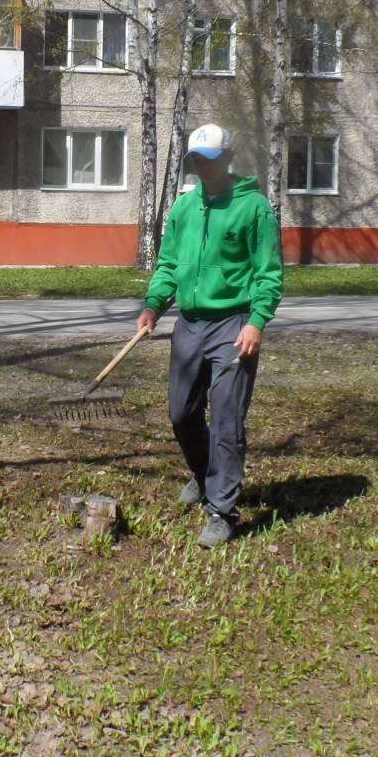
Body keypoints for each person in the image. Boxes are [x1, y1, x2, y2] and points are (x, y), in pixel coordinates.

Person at [137, 125, 283, 548]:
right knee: (182, 413)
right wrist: (153, 305)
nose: (200, 166)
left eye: (207, 158)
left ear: (225, 159)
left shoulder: (253, 208)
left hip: (234, 325)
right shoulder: (185, 208)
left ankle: (222, 509)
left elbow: (268, 273)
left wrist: (257, 321)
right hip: (190, 324)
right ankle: (204, 476)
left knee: (226, 419)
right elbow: (168, 264)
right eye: (194, 159)